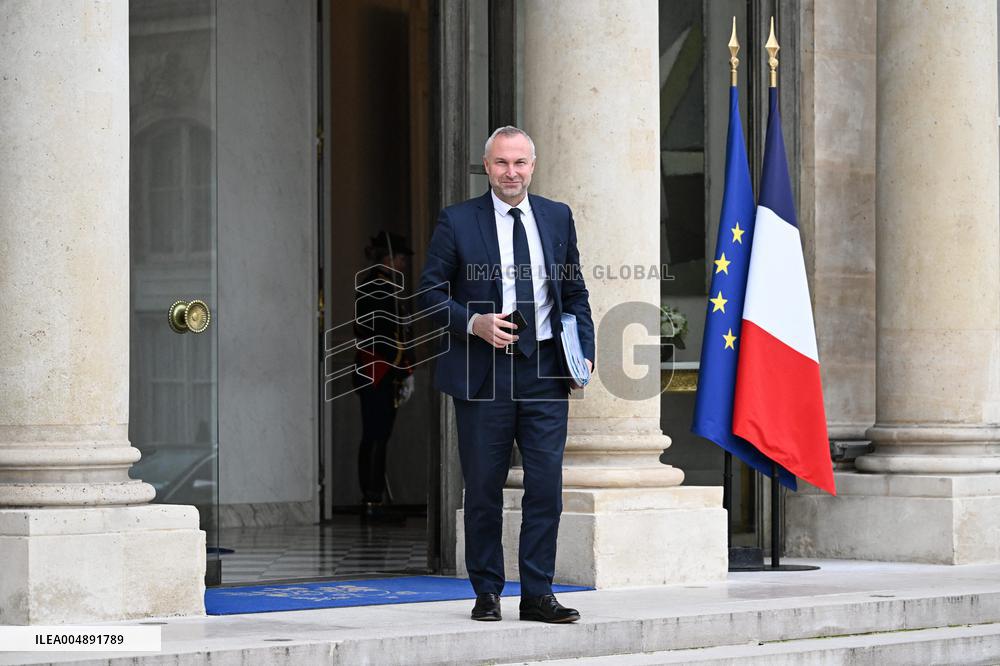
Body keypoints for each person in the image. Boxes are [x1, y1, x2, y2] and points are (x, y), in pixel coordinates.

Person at [418, 126, 595, 623]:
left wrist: (583, 351)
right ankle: (488, 592)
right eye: (501, 163)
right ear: (487, 166)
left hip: (545, 371)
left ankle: (537, 593)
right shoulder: (457, 220)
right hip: (483, 373)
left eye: (519, 163)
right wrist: (473, 323)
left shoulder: (557, 217)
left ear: (532, 166)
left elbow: (575, 293)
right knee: (483, 488)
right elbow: (428, 294)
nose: (511, 172)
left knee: (546, 488)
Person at [354, 231, 415, 522]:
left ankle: (374, 497)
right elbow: (384, 336)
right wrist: (403, 368)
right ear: (388, 258)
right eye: (401, 258)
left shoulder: (388, 285)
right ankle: (372, 499)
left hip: (384, 370)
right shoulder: (378, 287)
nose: (404, 264)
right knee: (375, 435)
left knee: (379, 435)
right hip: (377, 370)